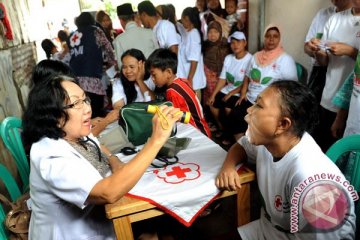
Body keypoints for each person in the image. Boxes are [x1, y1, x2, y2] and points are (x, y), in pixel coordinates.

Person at [22, 74, 182, 239]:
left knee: (161, 226)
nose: (87, 109)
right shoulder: (50, 156)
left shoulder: (74, 134)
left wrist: (114, 161)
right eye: (76, 103)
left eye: (85, 100)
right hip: (80, 235)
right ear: (54, 116)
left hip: (99, 222)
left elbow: (97, 144)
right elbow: (108, 193)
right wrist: (156, 140)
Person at [216, 80, 356, 239]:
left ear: (283, 124)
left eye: (259, 106)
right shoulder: (272, 141)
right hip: (270, 228)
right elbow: (241, 146)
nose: (249, 110)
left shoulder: (312, 183)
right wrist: (228, 166)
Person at [228, 24, 298, 140]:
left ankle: (252, 150)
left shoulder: (285, 59)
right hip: (250, 99)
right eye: (268, 36)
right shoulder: (256, 56)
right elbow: (247, 76)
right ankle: (242, 147)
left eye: (275, 36)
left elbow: (291, 87)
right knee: (234, 116)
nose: (271, 39)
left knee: (258, 125)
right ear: (264, 38)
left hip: (269, 103)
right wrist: (243, 93)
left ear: (279, 39)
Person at [308, 0, 360, 152]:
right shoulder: (335, 19)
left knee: (343, 157)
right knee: (321, 150)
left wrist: (351, 51)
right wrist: (318, 50)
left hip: (353, 105)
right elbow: (324, 62)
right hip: (329, 97)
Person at [147, 48, 211, 138]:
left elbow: (175, 118)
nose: (152, 79)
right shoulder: (182, 81)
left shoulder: (172, 92)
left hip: (197, 132)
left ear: (169, 72)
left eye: (154, 75)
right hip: (203, 127)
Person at [68, 12, 116, 118]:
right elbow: (108, 48)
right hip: (91, 76)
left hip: (74, 77)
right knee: (96, 110)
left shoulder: (72, 35)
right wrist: (113, 63)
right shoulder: (95, 30)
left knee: (83, 110)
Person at [208, 31, 251, 144]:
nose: (235, 45)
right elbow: (222, 79)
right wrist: (213, 95)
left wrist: (231, 93)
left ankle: (231, 136)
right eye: (232, 42)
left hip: (240, 92)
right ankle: (224, 129)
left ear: (244, 42)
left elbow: (247, 81)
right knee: (211, 104)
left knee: (228, 108)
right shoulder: (229, 58)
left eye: (238, 42)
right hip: (228, 89)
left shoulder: (250, 59)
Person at [304, 0, 351, 103]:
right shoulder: (324, 15)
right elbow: (307, 46)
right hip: (319, 73)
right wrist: (314, 48)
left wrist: (349, 51)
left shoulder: (354, 19)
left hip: (345, 75)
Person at [113, 3, 158, 69]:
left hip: (134, 78)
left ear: (121, 20)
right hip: (153, 75)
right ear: (133, 17)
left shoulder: (118, 40)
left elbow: (121, 67)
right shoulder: (150, 32)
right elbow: (158, 54)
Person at [177, 7, 206, 98]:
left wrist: (190, 79)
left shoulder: (193, 34)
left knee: (194, 109)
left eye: (183, 19)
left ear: (187, 19)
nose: (181, 21)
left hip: (193, 81)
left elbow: (194, 59)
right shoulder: (188, 33)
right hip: (188, 78)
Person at [202, 20, 230, 108]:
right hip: (207, 78)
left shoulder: (225, 47)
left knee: (218, 97)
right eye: (210, 32)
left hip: (220, 78)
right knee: (208, 98)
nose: (212, 35)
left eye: (215, 32)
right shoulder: (205, 46)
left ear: (220, 33)